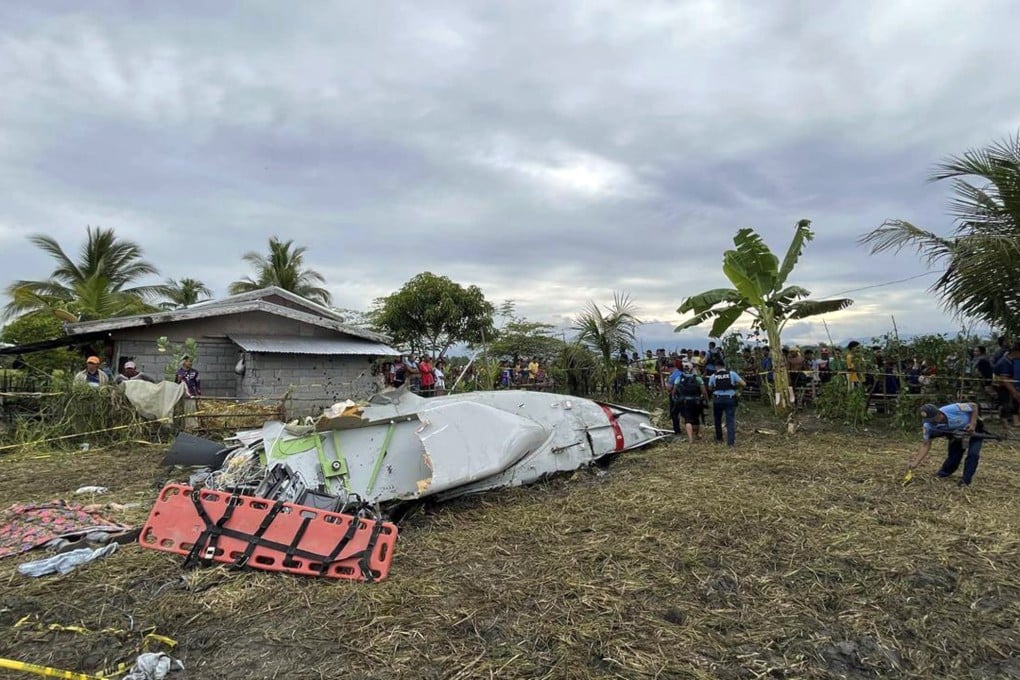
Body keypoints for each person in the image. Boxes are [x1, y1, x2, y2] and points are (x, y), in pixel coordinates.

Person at [905, 402, 984, 486]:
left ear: (939, 414)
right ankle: (944, 473)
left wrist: (972, 424)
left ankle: (966, 481)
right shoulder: (928, 426)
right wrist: (916, 462)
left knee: (973, 454)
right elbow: (925, 444)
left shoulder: (953, 409)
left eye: (933, 419)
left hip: (974, 431)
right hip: (957, 435)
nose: (932, 422)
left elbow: (973, 406)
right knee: (954, 457)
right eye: (929, 420)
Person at [708, 357, 746, 447]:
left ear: (716, 366)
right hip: (730, 398)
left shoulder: (713, 376)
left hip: (718, 399)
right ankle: (730, 442)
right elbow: (744, 384)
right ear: (724, 366)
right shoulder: (731, 374)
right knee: (730, 420)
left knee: (717, 419)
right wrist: (735, 387)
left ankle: (719, 438)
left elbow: (709, 387)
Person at [669, 360, 708, 444]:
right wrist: (706, 400)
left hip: (684, 402)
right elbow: (704, 391)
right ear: (692, 369)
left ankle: (690, 439)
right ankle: (696, 435)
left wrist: (675, 399)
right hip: (696, 401)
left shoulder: (679, 378)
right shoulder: (697, 378)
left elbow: (674, 391)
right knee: (696, 419)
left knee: (688, 420)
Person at [992, 341, 1020, 428]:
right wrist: (1014, 392)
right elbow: (1005, 379)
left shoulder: (1011, 361)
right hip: (1001, 386)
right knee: (1006, 404)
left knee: (1014, 403)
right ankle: (1005, 423)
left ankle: (1015, 421)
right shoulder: (1004, 362)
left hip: (1008, 384)